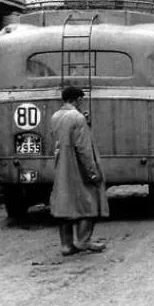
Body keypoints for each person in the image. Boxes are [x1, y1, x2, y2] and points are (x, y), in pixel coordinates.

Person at [50, 86, 109, 256]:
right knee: (89, 201)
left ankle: (66, 245)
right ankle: (84, 241)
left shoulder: (56, 116)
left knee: (65, 205)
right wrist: (92, 172)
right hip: (78, 167)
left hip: (62, 167)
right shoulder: (78, 118)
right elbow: (83, 148)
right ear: (78, 99)